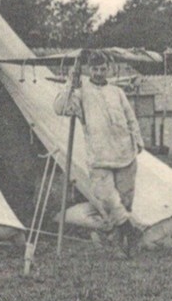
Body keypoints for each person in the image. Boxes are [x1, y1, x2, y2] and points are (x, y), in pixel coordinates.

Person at [55, 49, 146, 256]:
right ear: (89, 69)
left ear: (108, 69)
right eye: (95, 69)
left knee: (125, 201)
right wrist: (71, 81)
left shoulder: (117, 92)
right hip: (99, 156)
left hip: (125, 152)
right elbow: (60, 108)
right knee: (107, 198)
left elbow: (130, 118)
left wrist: (138, 140)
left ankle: (123, 245)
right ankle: (129, 231)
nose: (98, 73)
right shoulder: (80, 92)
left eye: (102, 69)